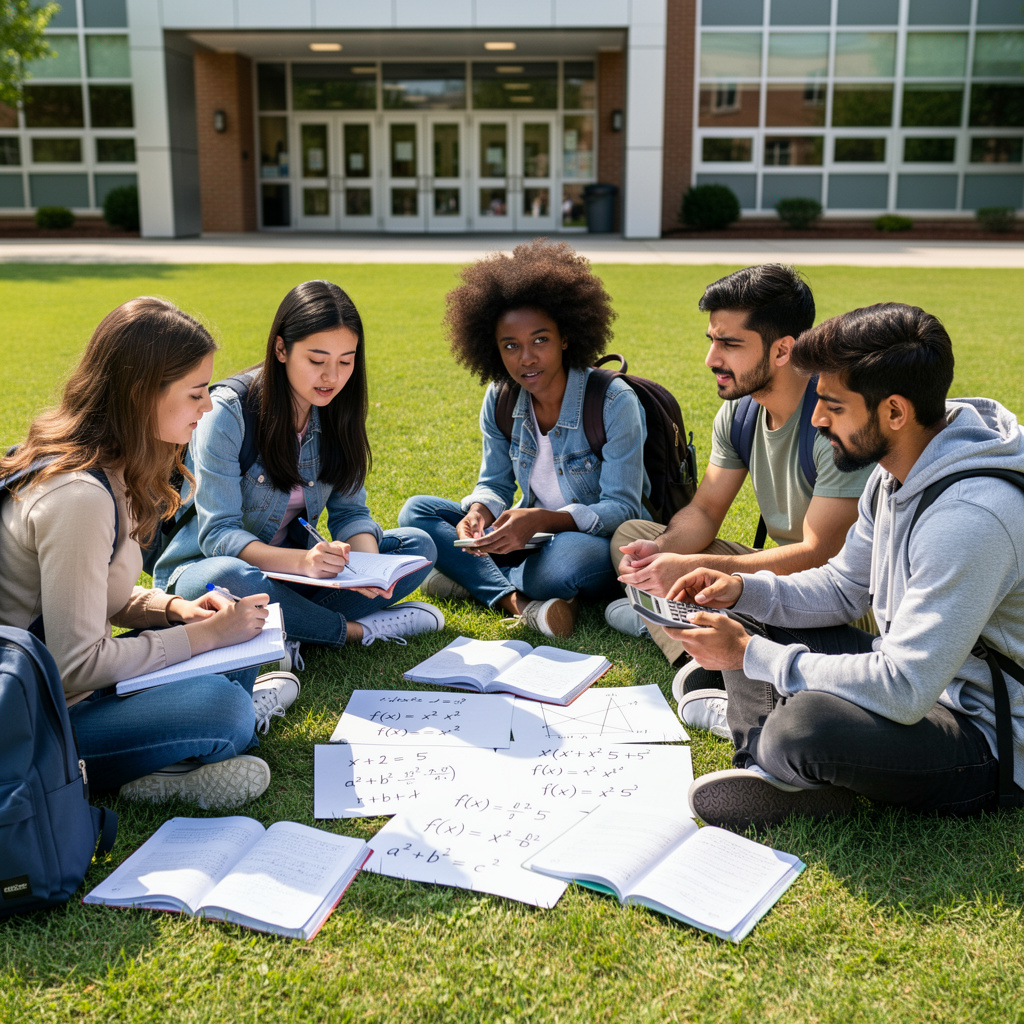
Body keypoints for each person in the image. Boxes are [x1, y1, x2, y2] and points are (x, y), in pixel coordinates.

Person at [670, 302, 1024, 832]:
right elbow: (842, 587)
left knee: (805, 727)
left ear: (895, 412)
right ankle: (775, 771)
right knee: (751, 610)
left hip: (988, 735)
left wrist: (751, 656)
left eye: (833, 406)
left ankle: (779, 754)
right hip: (922, 682)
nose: (815, 418)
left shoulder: (970, 518)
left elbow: (903, 688)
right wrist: (740, 589)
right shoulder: (895, 469)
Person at [0, 297, 283, 808]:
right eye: (197, 392)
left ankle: (168, 756)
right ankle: (162, 765)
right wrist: (202, 636)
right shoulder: (80, 497)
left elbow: (94, 594)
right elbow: (74, 666)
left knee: (231, 641)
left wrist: (175, 610)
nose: (209, 406)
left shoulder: (112, 466)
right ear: (139, 395)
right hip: (39, 721)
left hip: (71, 691)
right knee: (225, 707)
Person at [605, 264, 875, 690]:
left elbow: (821, 556)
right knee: (630, 535)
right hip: (783, 577)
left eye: (730, 344)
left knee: (709, 578)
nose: (712, 359)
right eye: (713, 341)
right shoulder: (741, 410)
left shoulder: (832, 418)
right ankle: (700, 648)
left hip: (848, 596)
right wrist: (660, 553)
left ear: (783, 350)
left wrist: (699, 567)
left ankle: (687, 640)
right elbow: (706, 509)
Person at [154, 280, 443, 651]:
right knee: (236, 576)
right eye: (317, 361)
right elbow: (219, 536)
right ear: (281, 349)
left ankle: (279, 632)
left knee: (418, 547)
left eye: (346, 361)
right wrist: (303, 562)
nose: (332, 377)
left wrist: (368, 570)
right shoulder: (228, 412)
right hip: (208, 573)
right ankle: (355, 631)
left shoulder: (338, 410)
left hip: (292, 576)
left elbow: (351, 512)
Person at [399, 238, 650, 638]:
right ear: (494, 350)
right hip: (528, 538)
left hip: (592, 541)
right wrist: (480, 512)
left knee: (561, 565)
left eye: (540, 340)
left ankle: (471, 578)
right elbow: (495, 482)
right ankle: (514, 599)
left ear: (565, 337)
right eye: (511, 346)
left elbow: (621, 508)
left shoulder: (613, 401)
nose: (526, 358)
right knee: (417, 513)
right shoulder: (501, 397)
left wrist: (542, 520)